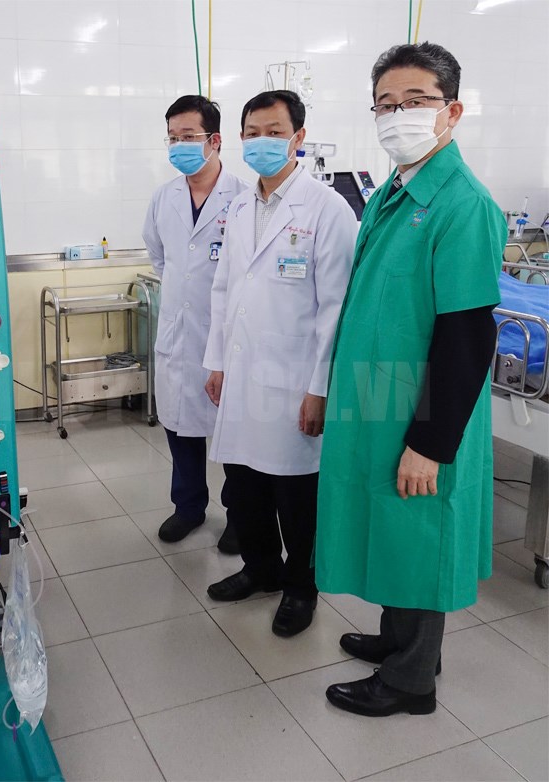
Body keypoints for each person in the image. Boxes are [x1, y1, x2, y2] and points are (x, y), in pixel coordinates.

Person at [315, 42, 508, 716]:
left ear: (452, 111)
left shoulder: (462, 204)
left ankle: (410, 681)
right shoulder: (394, 192)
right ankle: (398, 640)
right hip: (380, 396)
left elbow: (467, 335)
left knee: (420, 531)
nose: (399, 115)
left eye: (417, 101)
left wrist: (430, 442)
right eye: (386, 104)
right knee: (392, 524)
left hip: (422, 408)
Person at [203, 90, 357, 636]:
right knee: (245, 486)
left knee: (296, 497)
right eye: (252, 132)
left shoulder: (327, 209)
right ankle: (261, 569)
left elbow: (336, 309)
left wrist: (320, 388)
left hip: (294, 380)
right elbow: (224, 289)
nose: (261, 142)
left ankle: (300, 588)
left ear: (298, 138)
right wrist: (217, 361)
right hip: (243, 375)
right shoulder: (240, 206)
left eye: (274, 132)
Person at [143, 95, 248, 553]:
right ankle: (188, 507)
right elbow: (160, 256)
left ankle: (240, 515)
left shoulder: (244, 198)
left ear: (215, 140)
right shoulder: (163, 197)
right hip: (178, 333)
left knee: (233, 432)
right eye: (172, 138)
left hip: (227, 337)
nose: (178, 146)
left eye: (188, 137)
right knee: (179, 425)